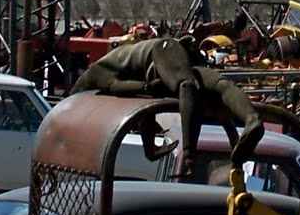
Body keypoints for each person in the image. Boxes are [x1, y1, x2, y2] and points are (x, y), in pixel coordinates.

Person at [71, 36, 263, 178]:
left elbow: (118, 87)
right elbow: (146, 106)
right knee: (220, 86)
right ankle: (251, 121)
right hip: (160, 62)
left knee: (187, 85)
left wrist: (188, 155)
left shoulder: (95, 73)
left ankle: (190, 155)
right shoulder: (114, 74)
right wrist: (149, 148)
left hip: (162, 50)